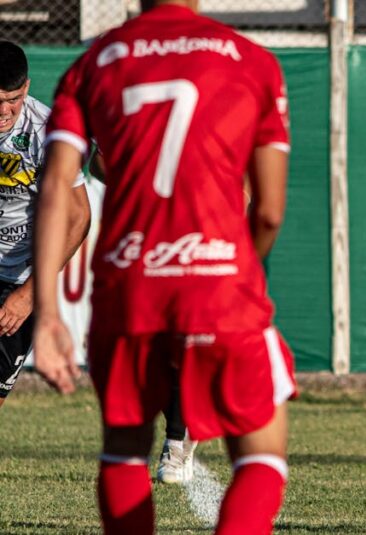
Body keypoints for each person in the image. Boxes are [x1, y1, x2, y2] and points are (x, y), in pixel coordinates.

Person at [32, 0, 295, 533]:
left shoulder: (95, 61)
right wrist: (235, 263)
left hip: (129, 286)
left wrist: (47, 311)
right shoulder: (251, 59)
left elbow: (57, 184)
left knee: (125, 451)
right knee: (262, 454)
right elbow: (267, 209)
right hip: (220, 280)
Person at [89, 151, 196, 484]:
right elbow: (97, 162)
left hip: (199, 234)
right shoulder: (136, 104)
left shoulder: (221, 110)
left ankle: (177, 439)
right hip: (142, 235)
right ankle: (180, 429)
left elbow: (246, 189)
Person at [0, 41, 91, 409]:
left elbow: (78, 216)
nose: (4, 111)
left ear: (27, 87)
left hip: (18, 276)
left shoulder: (47, 133)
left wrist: (30, 293)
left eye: (14, 99)